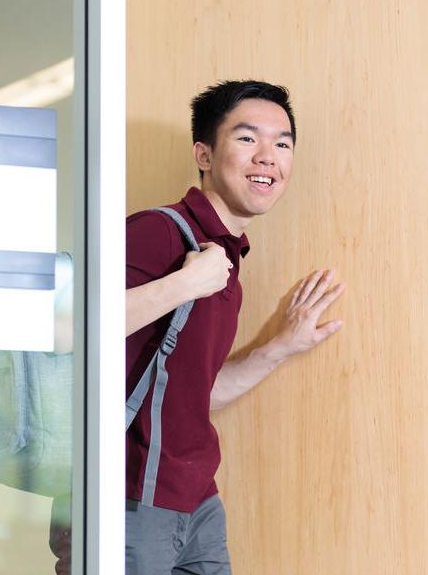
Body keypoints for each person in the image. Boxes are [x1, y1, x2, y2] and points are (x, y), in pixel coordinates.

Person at [125, 80, 345, 574]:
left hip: (196, 500)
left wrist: (281, 346)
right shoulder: (156, 233)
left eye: (282, 143)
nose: (268, 156)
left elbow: (197, 393)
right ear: (204, 154)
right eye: (247, 139)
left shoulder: (225, 257)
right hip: (128, 496)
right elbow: (68, 329)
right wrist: (185, 285)